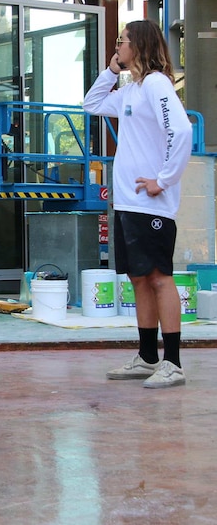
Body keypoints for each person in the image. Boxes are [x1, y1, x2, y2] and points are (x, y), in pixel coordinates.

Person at [84, 19, 192, 389]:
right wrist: (111, 70)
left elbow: (182, 131)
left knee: (160, 278)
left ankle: (172, 362)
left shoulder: (158, 85)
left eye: (122, 42)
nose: (117, 48)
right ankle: (148, 357)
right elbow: (92, 103)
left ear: (140, 45)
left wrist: (162, 180)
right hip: (129, 203)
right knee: (138, 278)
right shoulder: (132, 89)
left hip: (152, 203)